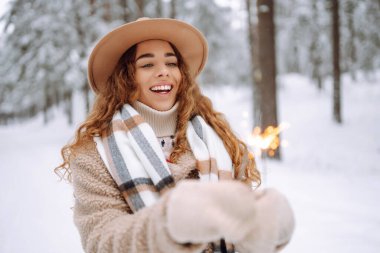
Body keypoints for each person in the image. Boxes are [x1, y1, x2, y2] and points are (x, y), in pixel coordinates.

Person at [56, 17, 295, 253]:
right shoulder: (94, 153)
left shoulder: (219, 138)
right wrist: (170, 224)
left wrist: (261, 231)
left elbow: (239, 221)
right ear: (125, 79)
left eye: (171, 63)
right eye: (147, 65)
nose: (163, 72)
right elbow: (102, 240)